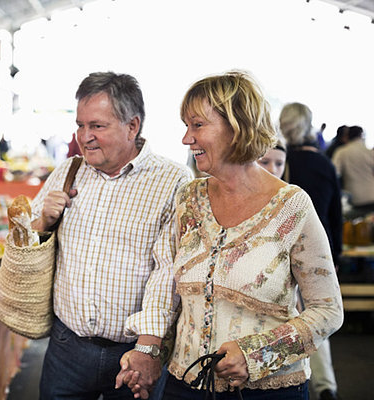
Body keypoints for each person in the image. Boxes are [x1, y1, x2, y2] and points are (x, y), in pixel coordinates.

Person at [118, 71, 344, 400]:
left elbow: (328, 310)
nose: (186, 138)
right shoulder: (188, 199)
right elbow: (168, 284)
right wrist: (150, 351)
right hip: (185, 387)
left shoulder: (292, 207)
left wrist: (257, 355)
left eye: (197, 125)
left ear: (236, 127)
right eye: (186, 126)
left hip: (266, 393)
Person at [32, 71, 191, 400]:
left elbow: (168, 272)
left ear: (132, 126)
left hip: (133, 356)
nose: (83, 137)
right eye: (80, 125)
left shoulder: (173, 180)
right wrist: (43, 221)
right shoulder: (69, 171)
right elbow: (24, 238)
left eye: (97, 126)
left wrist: (148, 349)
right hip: (66, 349)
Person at [259, 136, 342, 400]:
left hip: (303, 265)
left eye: (278, 163)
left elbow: (329, 313)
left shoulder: (294, 202)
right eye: (265, 162)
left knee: (311, 317)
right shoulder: (321, 165)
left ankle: (324, 385)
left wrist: (333, 257)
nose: (272, 169)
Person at [280, 103, 343, 268]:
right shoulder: (325, 164)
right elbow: (335, 214)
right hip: (320, 244)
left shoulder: (277, 162)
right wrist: (336, 255)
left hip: (283, 245)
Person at [332, 125, 374, 218]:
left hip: (355, 198)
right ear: (361, 135)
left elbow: (334, 173)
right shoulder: (369, 151)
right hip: (372, 196)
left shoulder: (341, 152)